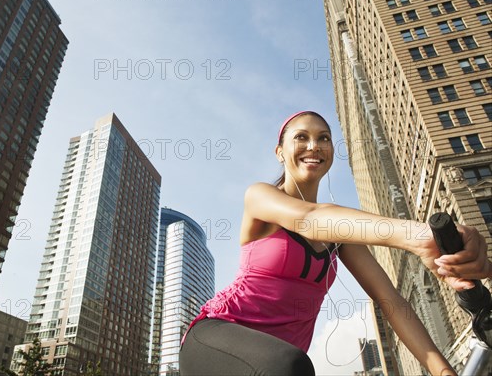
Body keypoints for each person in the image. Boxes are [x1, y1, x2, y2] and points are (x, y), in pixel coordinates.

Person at [179, 111, 491, 376]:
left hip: (280, 361)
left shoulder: (339, 237)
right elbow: (309, 218)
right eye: (301, 137)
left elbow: (391, 302)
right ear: (280, 152)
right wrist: (417, 237)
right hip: (218, 335)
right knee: (289, 365)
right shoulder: (260, 197)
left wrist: (443, 371)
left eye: (323, 138)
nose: (313, 145)